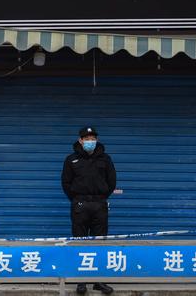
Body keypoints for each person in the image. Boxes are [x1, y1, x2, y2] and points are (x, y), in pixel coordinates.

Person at [61, 126, 116, 295]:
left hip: (99, 204)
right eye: (87, 138)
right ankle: (81, 281)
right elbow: (66, 183)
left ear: (96, 140)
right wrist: (77, 199)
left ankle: (98, 281)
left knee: (99, 243)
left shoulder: (105, 159)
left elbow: (112, 181)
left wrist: (101, 197)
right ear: (80, 140)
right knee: (80, 242)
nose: (90, 141)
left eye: (93, 138)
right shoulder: (71, 160)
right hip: (80, 205)